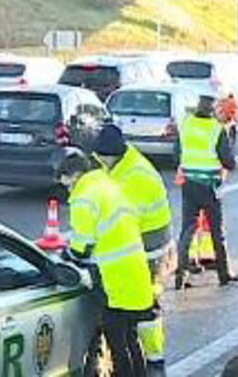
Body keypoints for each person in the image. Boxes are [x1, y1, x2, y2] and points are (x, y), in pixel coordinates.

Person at [68, 141, 157, 376]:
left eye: (65, 182)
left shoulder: (83, 196)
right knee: (130, 337)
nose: (66, 189)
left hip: (114, 279)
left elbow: (81, 246)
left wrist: (67, 255)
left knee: (117, 343)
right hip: (134, 272)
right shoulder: (108, 183)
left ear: (74, 176)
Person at [93, 124, 172, 370]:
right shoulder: (120, 166)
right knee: (138, 305)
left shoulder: (135, 176)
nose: (99, 161)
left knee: (147, 306)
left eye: (102, 157)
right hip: (139, 248)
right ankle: (143, 354)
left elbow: (121, 223)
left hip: (149, 252)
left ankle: (155, 359)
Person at [175, 94, 238, 290]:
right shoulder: (216, 129)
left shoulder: (186, 124)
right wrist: (233, 160)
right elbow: (228, 162)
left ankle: (180, 276)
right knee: (216, 231)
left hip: (189, 184)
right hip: (210, 186)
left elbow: (176, 154)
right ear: (213, 110)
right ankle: (224, 275)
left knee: (187, 230)